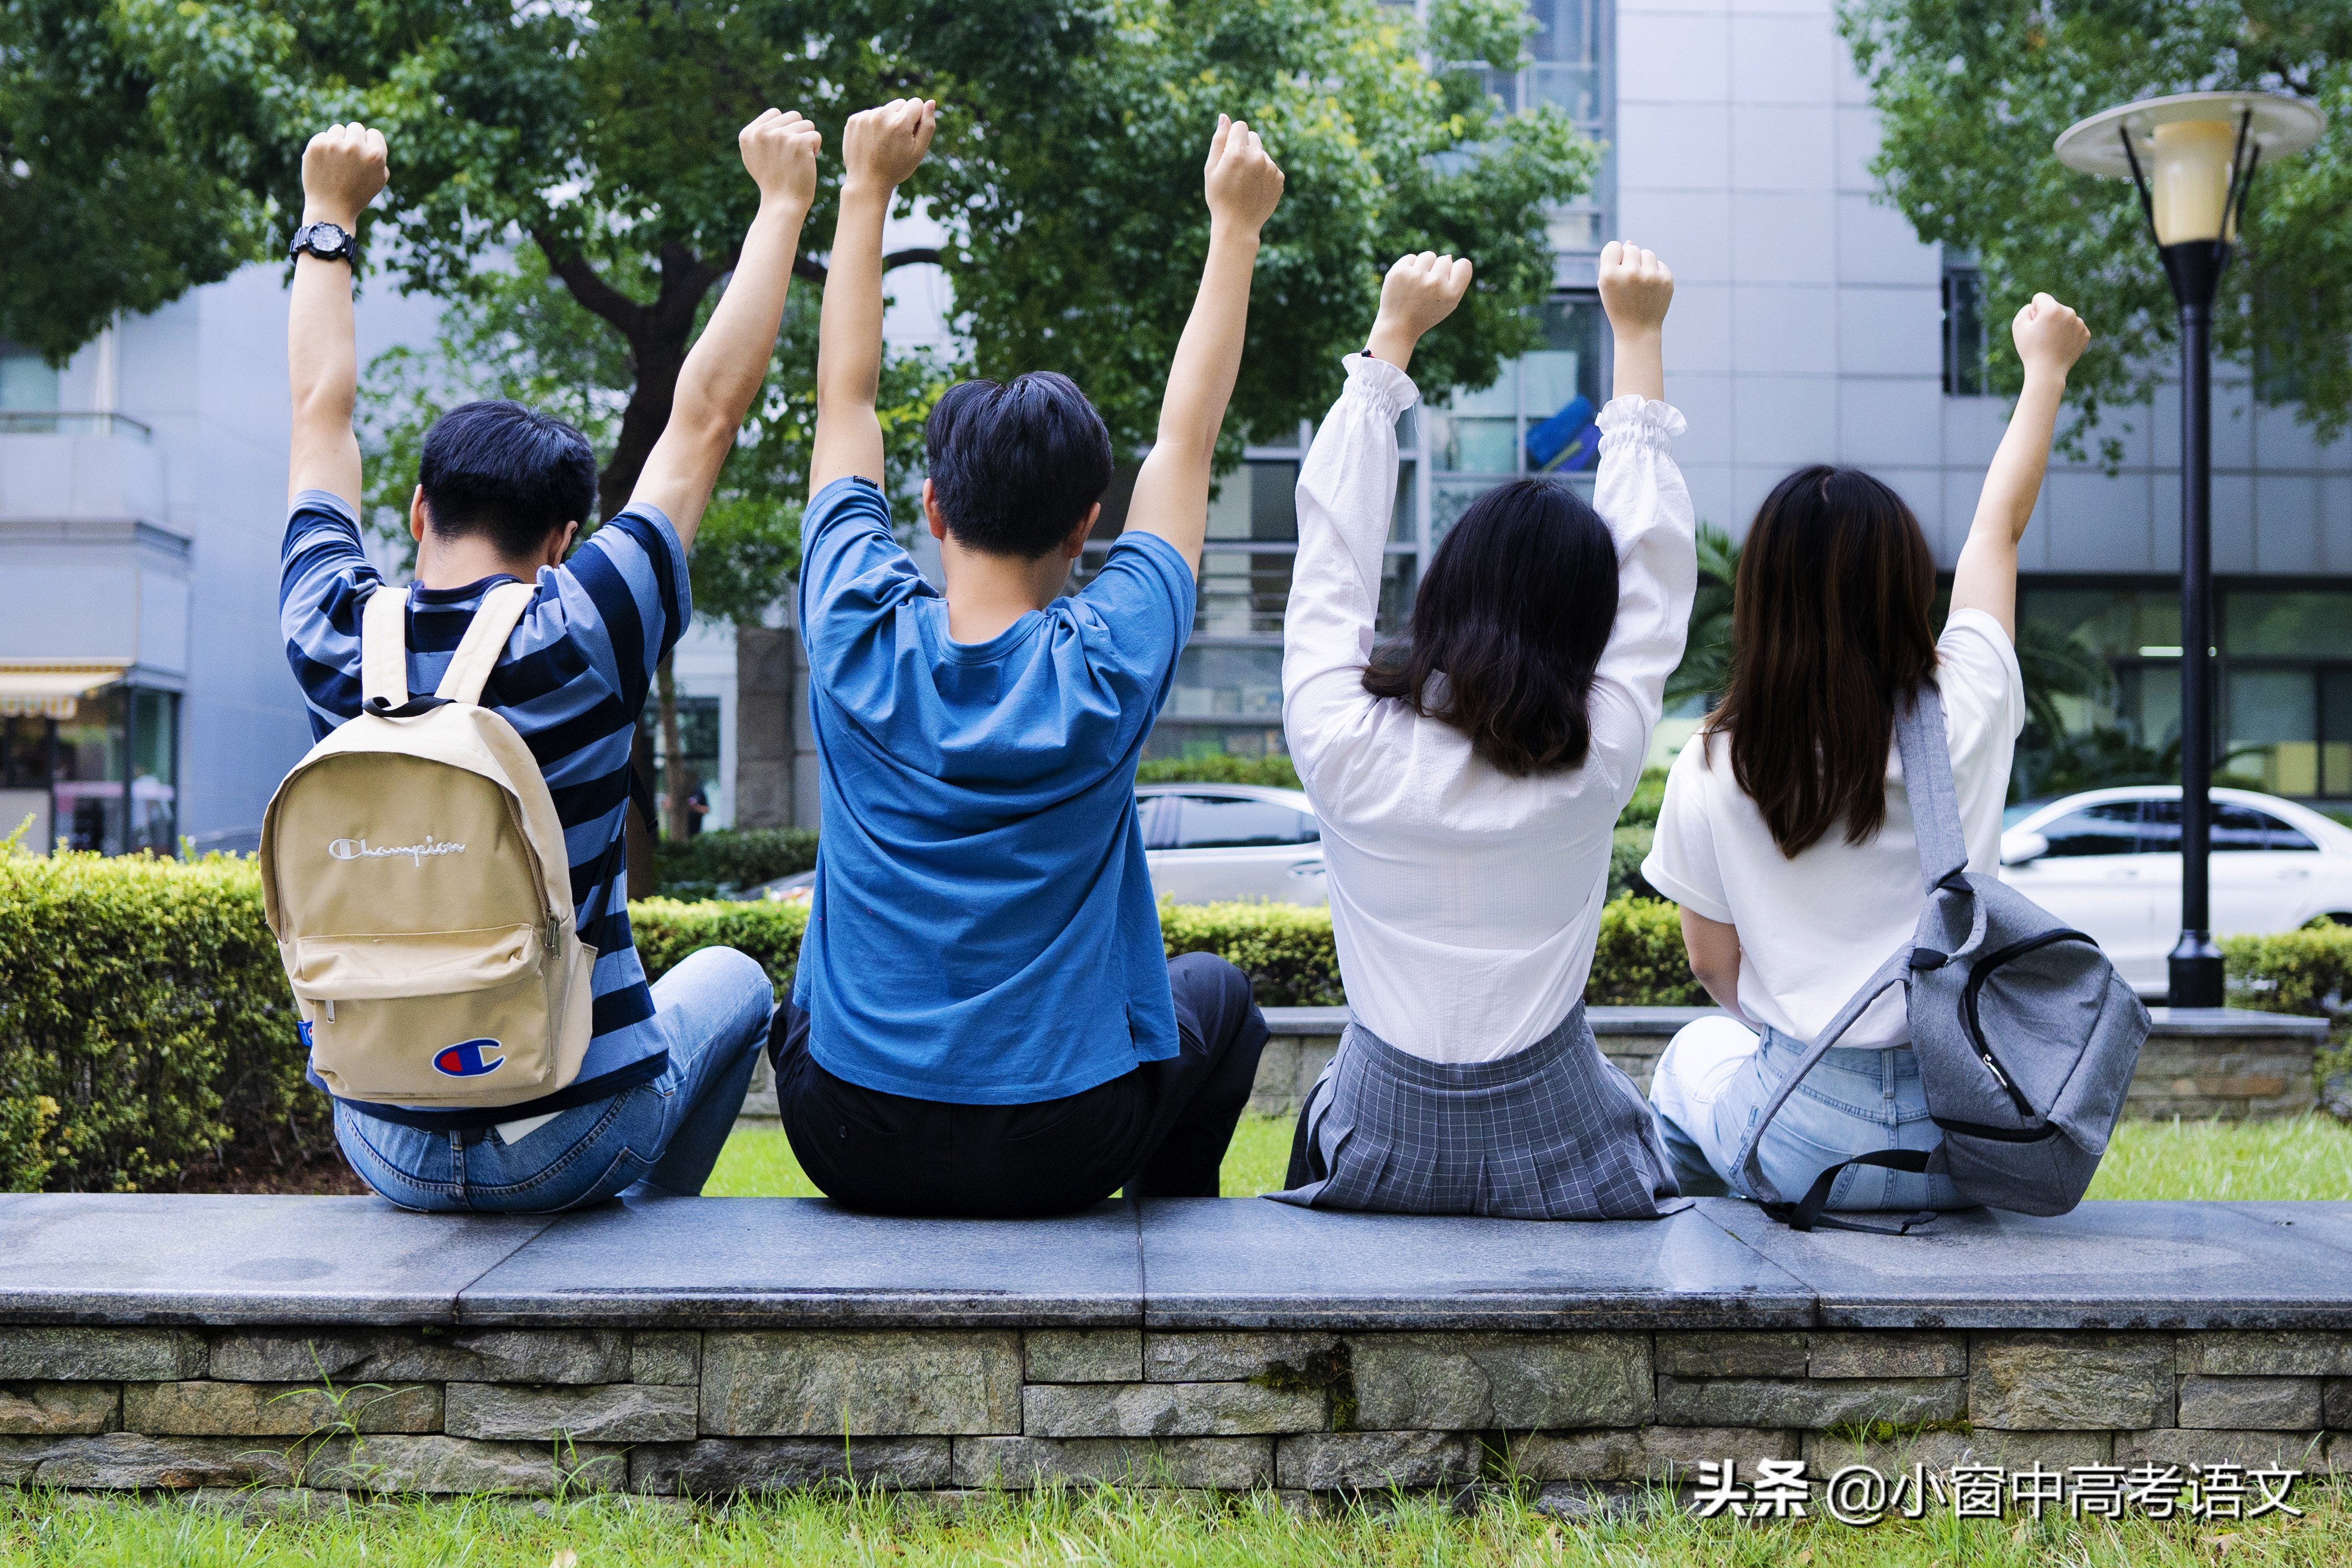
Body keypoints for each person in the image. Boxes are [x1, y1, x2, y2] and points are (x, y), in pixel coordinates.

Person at [277, 111, 822, 1209]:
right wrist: (781, 203)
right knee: (735, 979)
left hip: (385, 1137)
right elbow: (705, 417)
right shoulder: (585, 624)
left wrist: (328, 217)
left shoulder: (332, 628)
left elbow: (316, 416)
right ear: (565, 540)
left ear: (420, 508)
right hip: (576, 1135)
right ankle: (635, 1226)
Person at [767, 101, 1286, 1217]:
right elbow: (1187, 440)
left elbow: (844, 400)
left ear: (932, 507)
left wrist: (865, 191)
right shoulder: (1111, 661)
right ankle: (1165, 1240)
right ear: (1085, 525)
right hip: (1068, 1144)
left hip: (848, 1132)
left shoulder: (854, 626)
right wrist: (1233, 229)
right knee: (1224, 1002)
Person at [1643, 293, 2092, 1214]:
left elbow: (1714, 970)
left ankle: (1719, 1244)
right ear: (1902, 584)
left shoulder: (1717, 761)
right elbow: (1995, 532)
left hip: (1804, 1140)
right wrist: (2043, 372)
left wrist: (1809, 1028)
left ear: (1760, 599)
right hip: (1968, 1139)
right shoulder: (1968, 700)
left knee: (1690, 1060)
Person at [1273, 243, 1695, 1218]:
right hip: (1572, 1163)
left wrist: (1392, 345)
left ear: (1445, 590)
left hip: (1374, 1153)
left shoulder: (1342, 740)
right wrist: (1636, 338)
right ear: (1586, 627)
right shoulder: (1598, 758)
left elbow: (1330, 560)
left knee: (1323, 1106)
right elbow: (1655, 577)